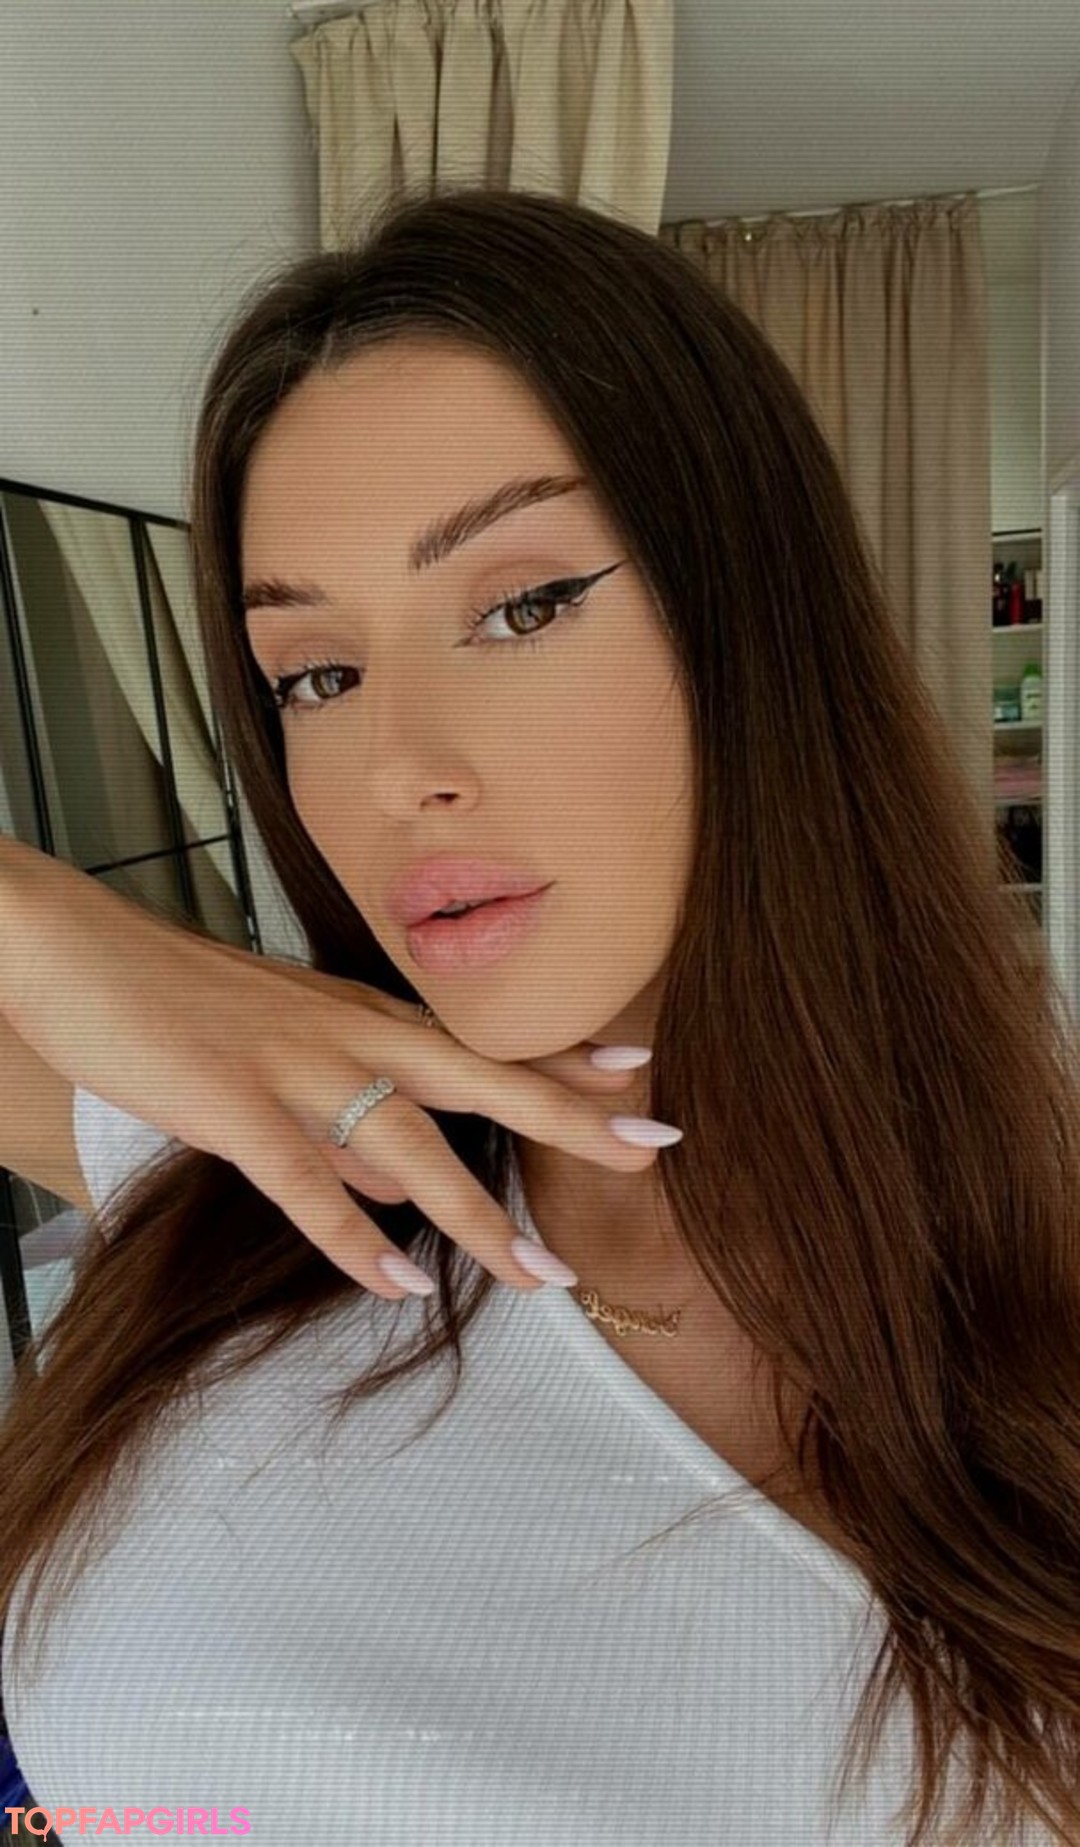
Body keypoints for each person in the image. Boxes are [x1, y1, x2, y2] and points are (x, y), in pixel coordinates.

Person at [0, 184, 1078, 1847]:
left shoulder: (1033, 1306)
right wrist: (62, 928)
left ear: (755, 616)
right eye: (315, 676)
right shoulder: (266, 1175)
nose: (395, 772)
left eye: (521, 607)